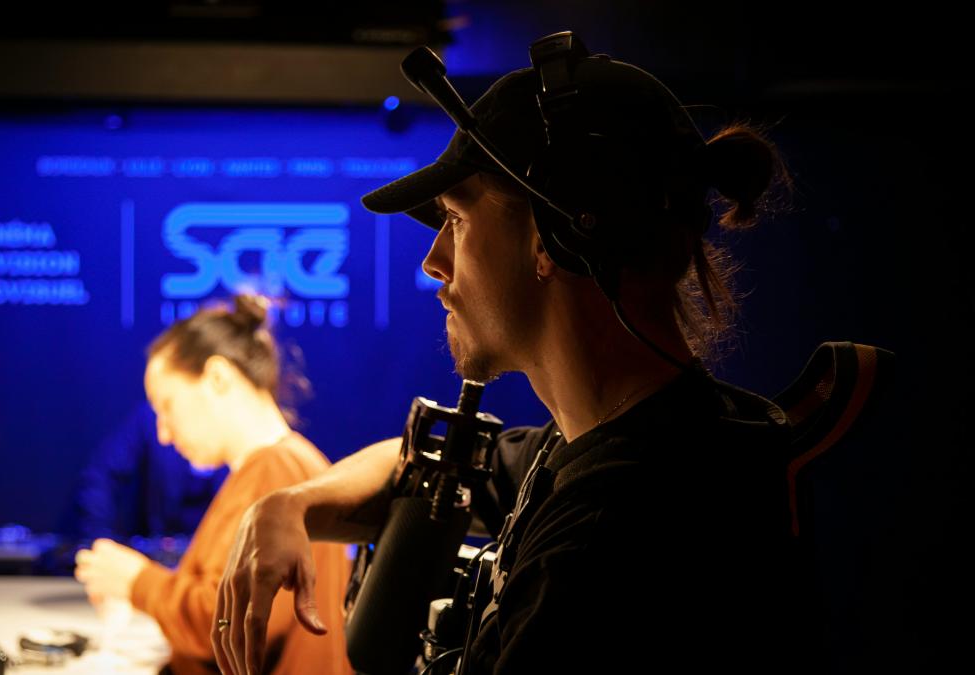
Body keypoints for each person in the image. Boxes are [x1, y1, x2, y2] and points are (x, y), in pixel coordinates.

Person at [212, 33, 809, 675]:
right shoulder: (617, 444)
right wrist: (287, 505)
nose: (434, 262)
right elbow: (440, 469)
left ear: (559, 234)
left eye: (457, 221)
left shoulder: (605, 542)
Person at [74, 295, 352, 675]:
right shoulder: (275, 468)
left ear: (217, 378)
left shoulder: (278, 471)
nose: (164, 433)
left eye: (166, 406)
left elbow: (235, 627)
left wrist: (138, 582)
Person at [74, 400, 226, 543]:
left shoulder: (240, 430)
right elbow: (101, 475)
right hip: (162, 551)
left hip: (224, 555)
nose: (164, 436)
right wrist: (103, 542)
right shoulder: (152, 419)